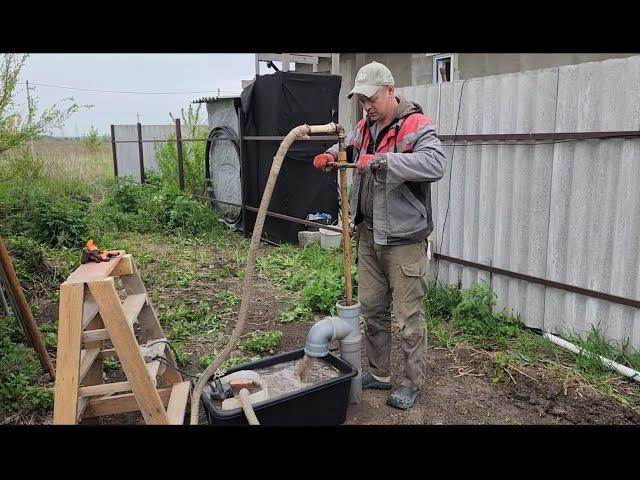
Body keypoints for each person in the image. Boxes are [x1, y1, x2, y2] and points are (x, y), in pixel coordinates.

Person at [313, 61, 446, 410]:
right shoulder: (364, 126)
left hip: (405, 241)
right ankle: (380, 373)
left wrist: (385, 161)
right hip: (370, 236)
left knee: (408, 318)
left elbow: (435, 164)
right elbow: (352, 149)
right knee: (373, 309)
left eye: (371, 98)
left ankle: (412, 382)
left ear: (390, 90)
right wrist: (329, 156)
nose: (366, 106)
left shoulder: (416, 125)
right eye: (361, 100)